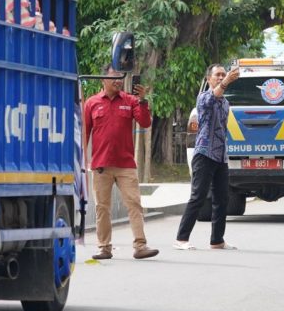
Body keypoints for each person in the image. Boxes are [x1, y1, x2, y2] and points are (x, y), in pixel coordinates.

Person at [84, 64, 158, 260]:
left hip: (126, 165)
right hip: (101, 165)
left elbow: (145, 122)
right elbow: (84, 134)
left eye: (120, 78)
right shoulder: (92, 103)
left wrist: (143, 101)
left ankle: (140, 246)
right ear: (103, 79)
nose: (118, 81)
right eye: (114, 77)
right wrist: (81, 162)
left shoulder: (131, 100)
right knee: (102, 207)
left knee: (134, 204)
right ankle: (104, 247)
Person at [174, 64, 241, 251]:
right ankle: (181, 238)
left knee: (222, 199)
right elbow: (212, 98)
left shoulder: (226, 103)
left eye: (223, 75)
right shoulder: (204, 97)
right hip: (204, 154)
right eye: (217, 75)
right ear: (209, 79)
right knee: (198, 196)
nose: (221, 77)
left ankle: (217, 240)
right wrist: (227, 81)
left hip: (221, 157)